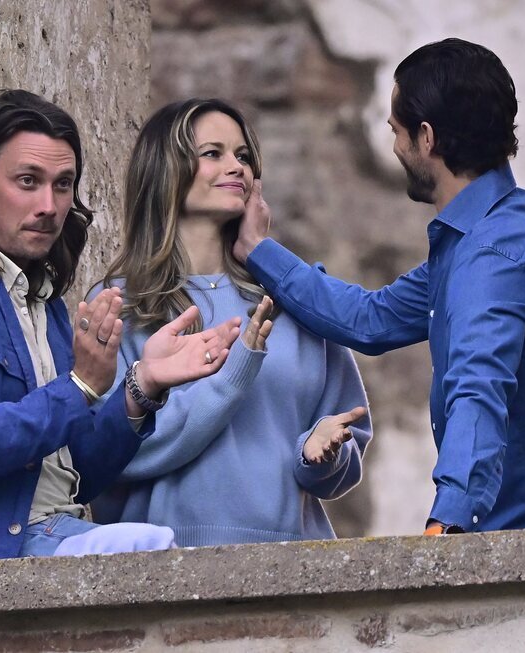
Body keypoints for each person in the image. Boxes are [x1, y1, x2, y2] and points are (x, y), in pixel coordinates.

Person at [233, 38, 525, 535]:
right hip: (521, 539)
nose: (393, 147)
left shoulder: (494, 254)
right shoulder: (480, 239)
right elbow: (370, 319)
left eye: (396, 131)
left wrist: (445, 526)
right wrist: (258, 250)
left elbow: (478, 390)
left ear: (427, 137)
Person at [0, 90, 240, 566]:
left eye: (63, 185)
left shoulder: (46, 305)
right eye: (27, 181)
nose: (50, 205)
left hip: (52, 532)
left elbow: (79, 472)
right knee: (150, 553)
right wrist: (78, 387)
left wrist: (142, 386)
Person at [90, 98, 372, 546]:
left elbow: (346, 439)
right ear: (166, 170)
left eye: (243, 156)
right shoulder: (122, 303)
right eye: (213, 153)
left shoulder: (289, 296)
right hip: (158, 566)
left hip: (290, 562)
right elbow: (104, 456)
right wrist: (232, 376)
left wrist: (321, 455)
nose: (236, 167)